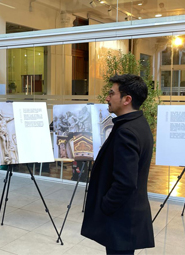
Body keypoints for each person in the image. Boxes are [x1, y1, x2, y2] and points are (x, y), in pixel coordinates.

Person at [81, 74, 155, 255]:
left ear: (126, 99)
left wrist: (105, 205)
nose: (107, 97)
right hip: (127, 218)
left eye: (111, 93)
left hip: (122, 220)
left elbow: (125, 182)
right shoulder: (138, 123)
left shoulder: (127, 132)